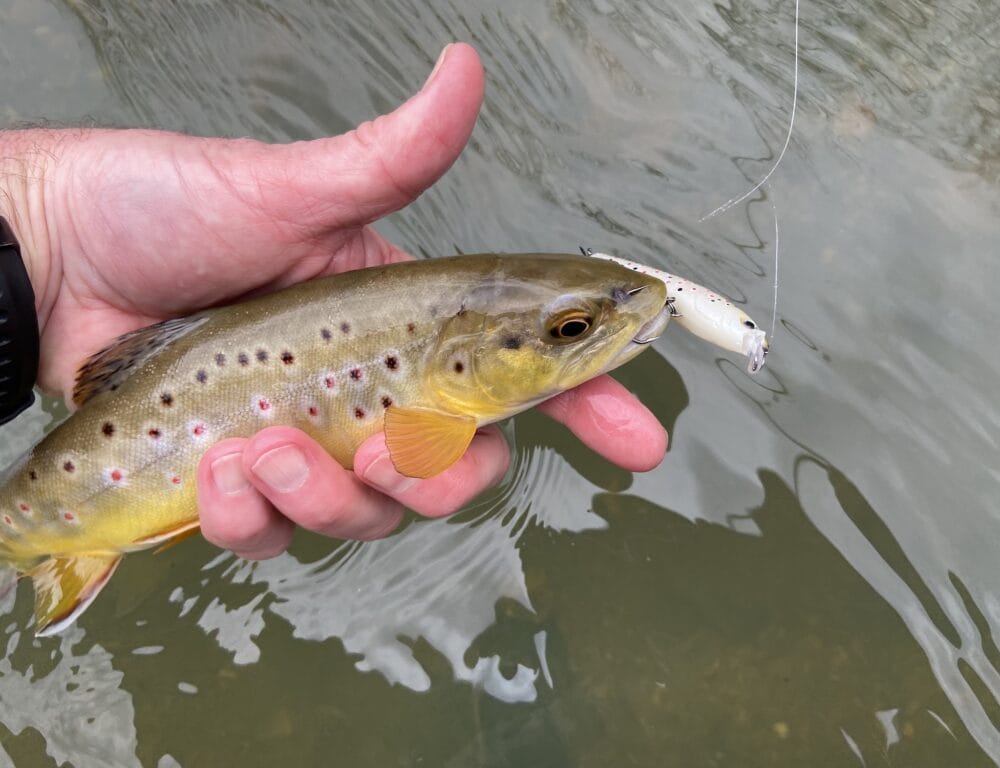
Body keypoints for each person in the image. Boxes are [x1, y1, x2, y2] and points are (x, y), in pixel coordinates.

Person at [0, 43, 667, 560]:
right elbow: (419, 453)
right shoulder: (443, 408)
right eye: (573, 327)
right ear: (460, 363)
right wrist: (37, 240)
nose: (626, 317)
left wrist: (41, 242)